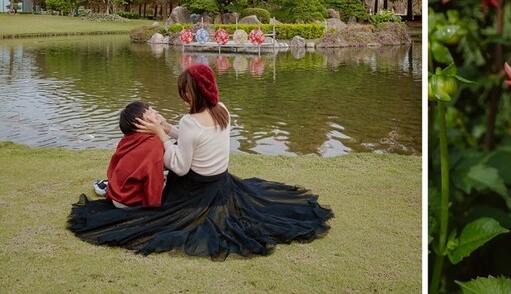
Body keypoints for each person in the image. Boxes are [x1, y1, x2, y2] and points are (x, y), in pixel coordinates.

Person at [68, 63, 333, 259]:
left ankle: (116, 187)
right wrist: (168, 128)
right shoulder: (222, 110)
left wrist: (160, 135)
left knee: (157, 208)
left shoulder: (191, 122)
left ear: (193, 93)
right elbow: (194, 139)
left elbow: (181, 166)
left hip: (195, 189)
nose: (183, 96)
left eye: (185, 91)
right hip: (220, 181)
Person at [96, 101, 165, 208]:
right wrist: (153, 209)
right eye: (151, 112)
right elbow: (153, 179)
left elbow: (114, 166)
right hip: (131, 202)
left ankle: (104, 186)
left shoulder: (128, 138)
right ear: (141, 123)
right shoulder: (154, 143)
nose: (156, 112)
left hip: (117, 196)